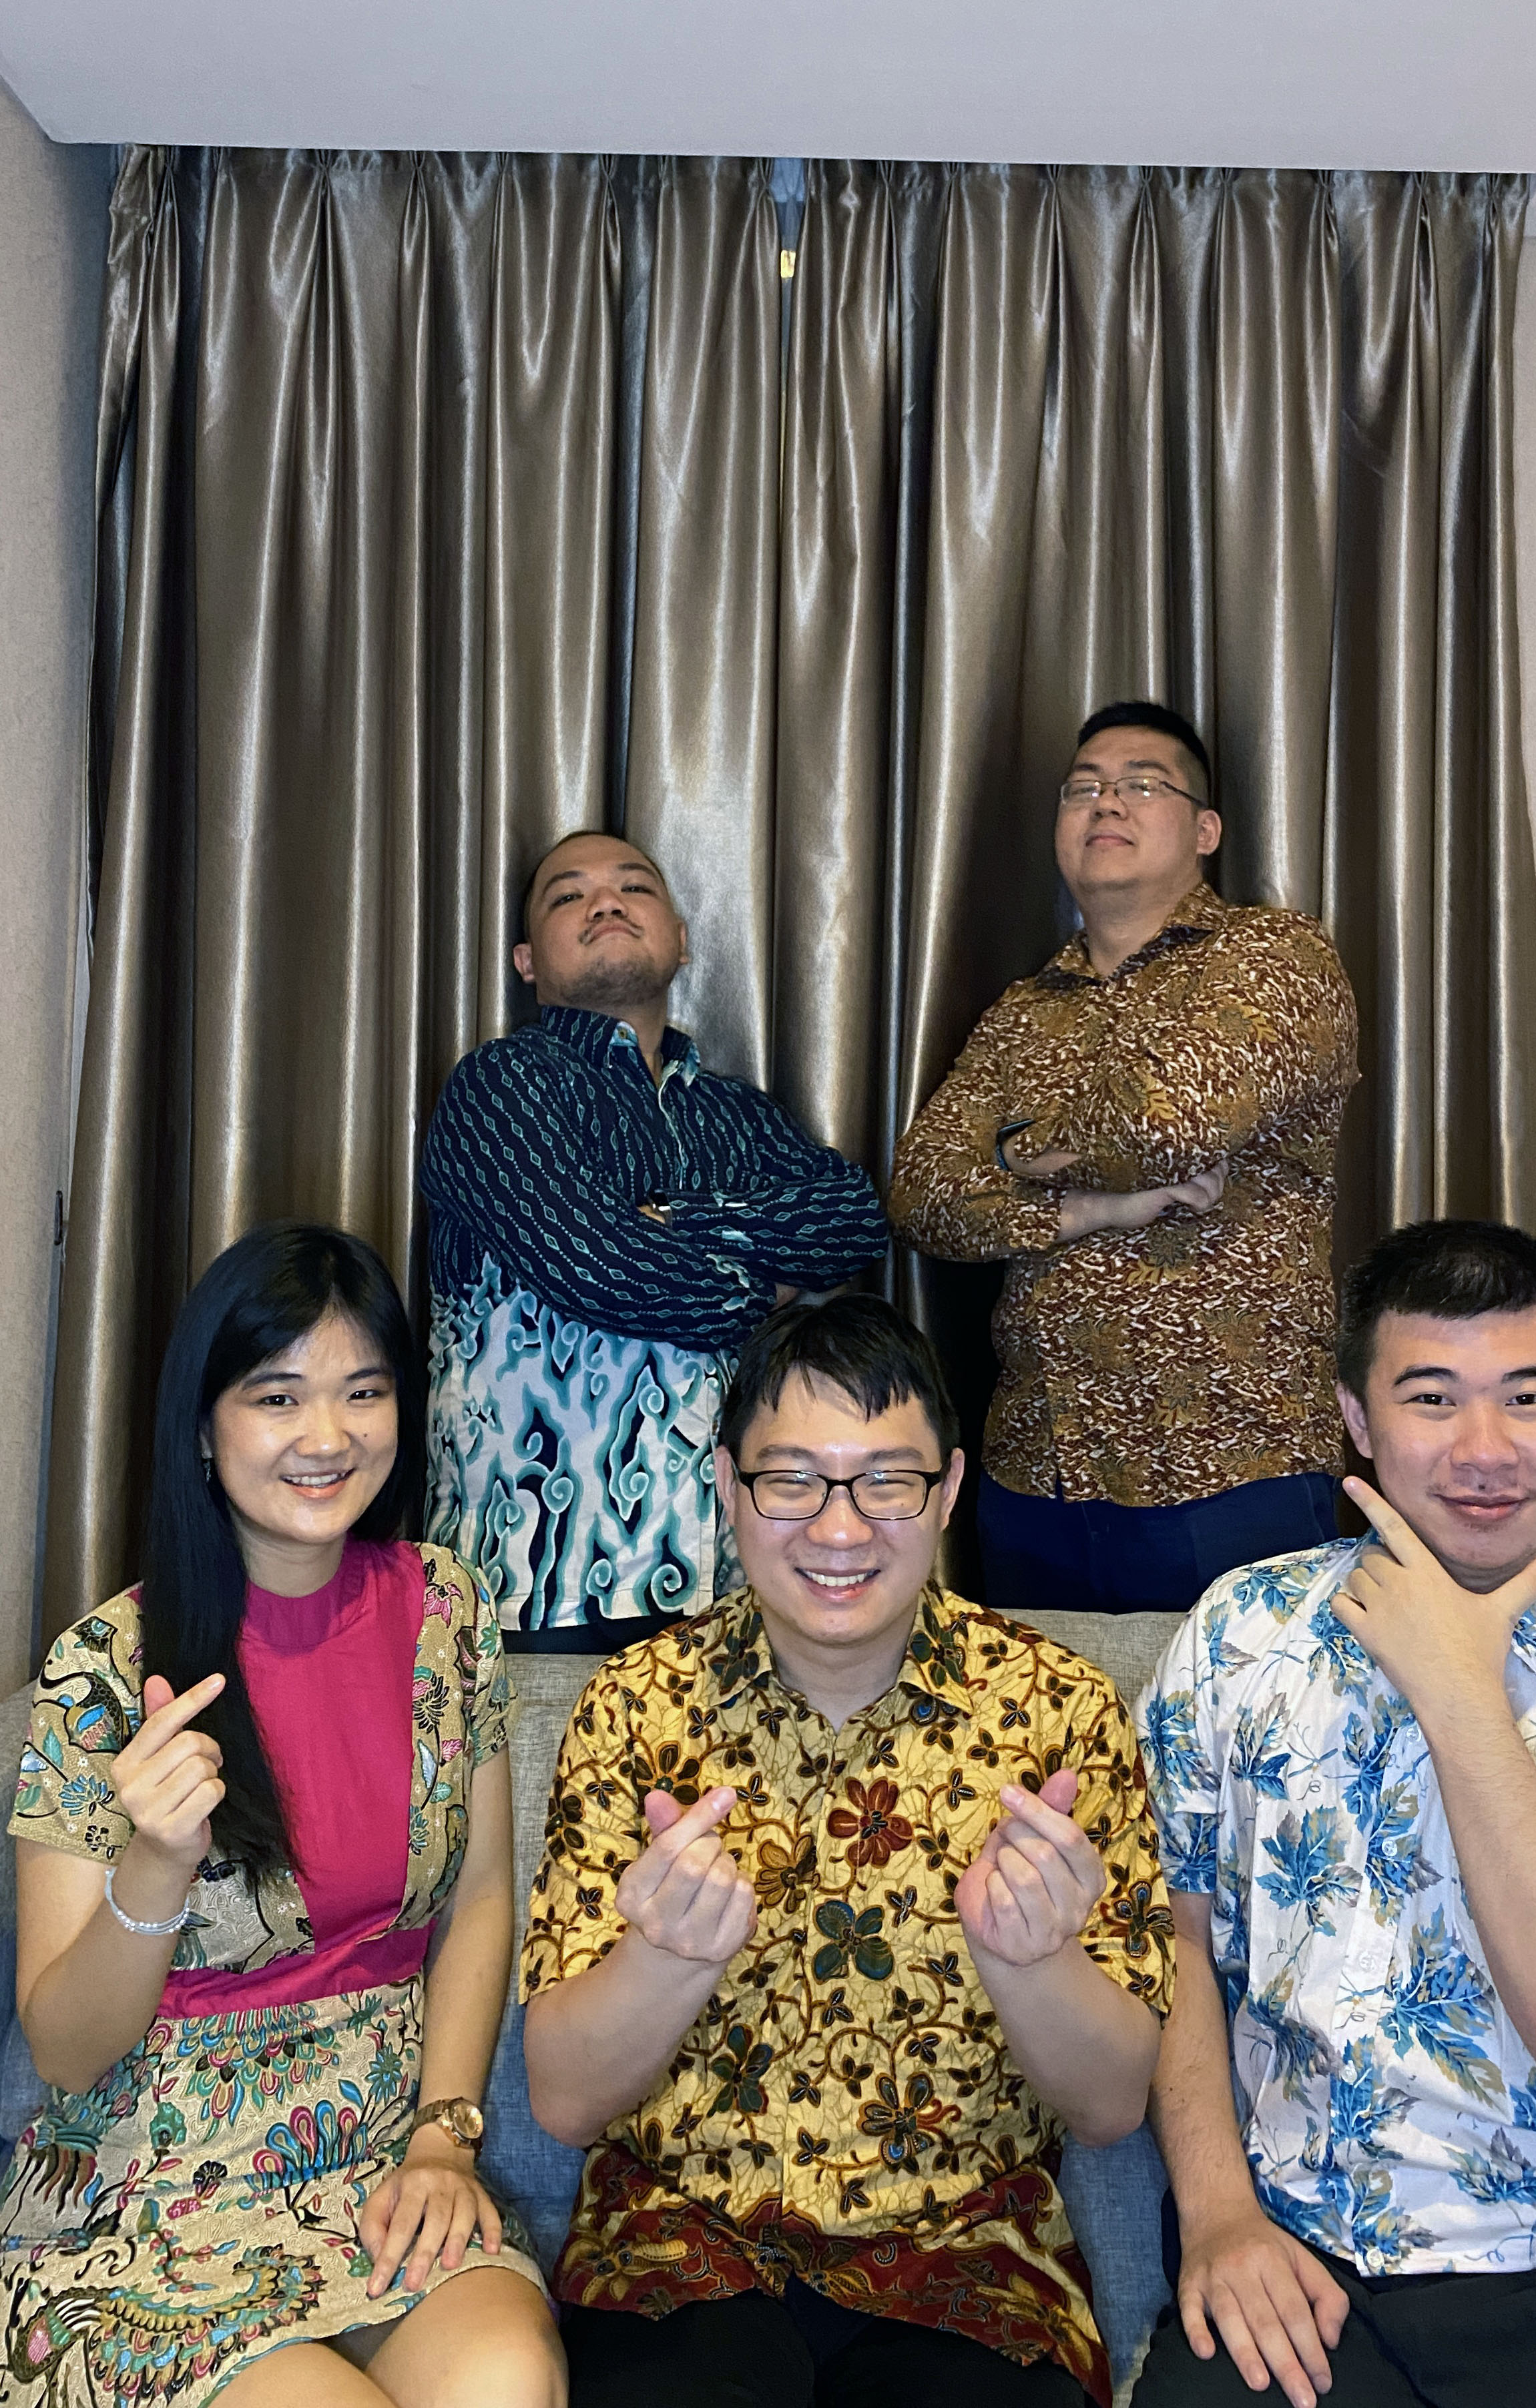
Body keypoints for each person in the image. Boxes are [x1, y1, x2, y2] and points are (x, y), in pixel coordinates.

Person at [1133, 1217, 1536, 2408]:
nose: (1484, 1450)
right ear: (1357, 1417)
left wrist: (1459, 1694)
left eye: (1527, 1397)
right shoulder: (1239, 1635)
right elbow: (1175, 1940)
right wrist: (1219, 2212)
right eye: (1431, 1398)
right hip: (1306, 2257)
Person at [518, 1293, 1174, 2407]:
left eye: (885, 1481)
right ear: (727, 1486)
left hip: (968, 2264)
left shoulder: (1060, 1711)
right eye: (792, 1481)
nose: (838, 1529)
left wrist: (1031, 1960)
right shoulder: (635, 1708)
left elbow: (1110, 2105)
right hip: (679, 2254)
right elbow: (566, 2101)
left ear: (948, 1490)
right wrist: (663, 1960)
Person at [0, 1223, 563, 2408]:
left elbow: (477, 1901)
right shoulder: (103, 1668)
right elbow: (62, 2048)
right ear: (205, 1428)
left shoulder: (450, 1614)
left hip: (381, 2165)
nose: (328, 1436)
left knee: (508, 2378)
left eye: (364, 1390)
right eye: (277, 1396)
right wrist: (155, 1865)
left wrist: (444, 2134)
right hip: (146, 2199)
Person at [889, 700, 1358, 1616]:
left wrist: (1014, 1149)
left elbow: (1168, 1126)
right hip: (1038, 1473)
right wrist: (1090, 1208)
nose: (1107, 802)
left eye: (1142, 784)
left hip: (1230, 1463)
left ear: (1205, 829)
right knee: (1048, 1720)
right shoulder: (1025, 1010)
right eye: (1084, 789)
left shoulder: (1274, 956)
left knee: (1239, 1715)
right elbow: (920, 1194)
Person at [421, 832, 890, 1648]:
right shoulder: (500, 1083)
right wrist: (768, 1283)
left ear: (681, 938)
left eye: (633, 887)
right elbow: (604, 1267)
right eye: (568, 895)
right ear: (526, 960)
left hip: (739, 1583)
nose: (605, 902)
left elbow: (853, 1217)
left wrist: (673, 1218)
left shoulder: (738, 1112)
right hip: (538, 1583)